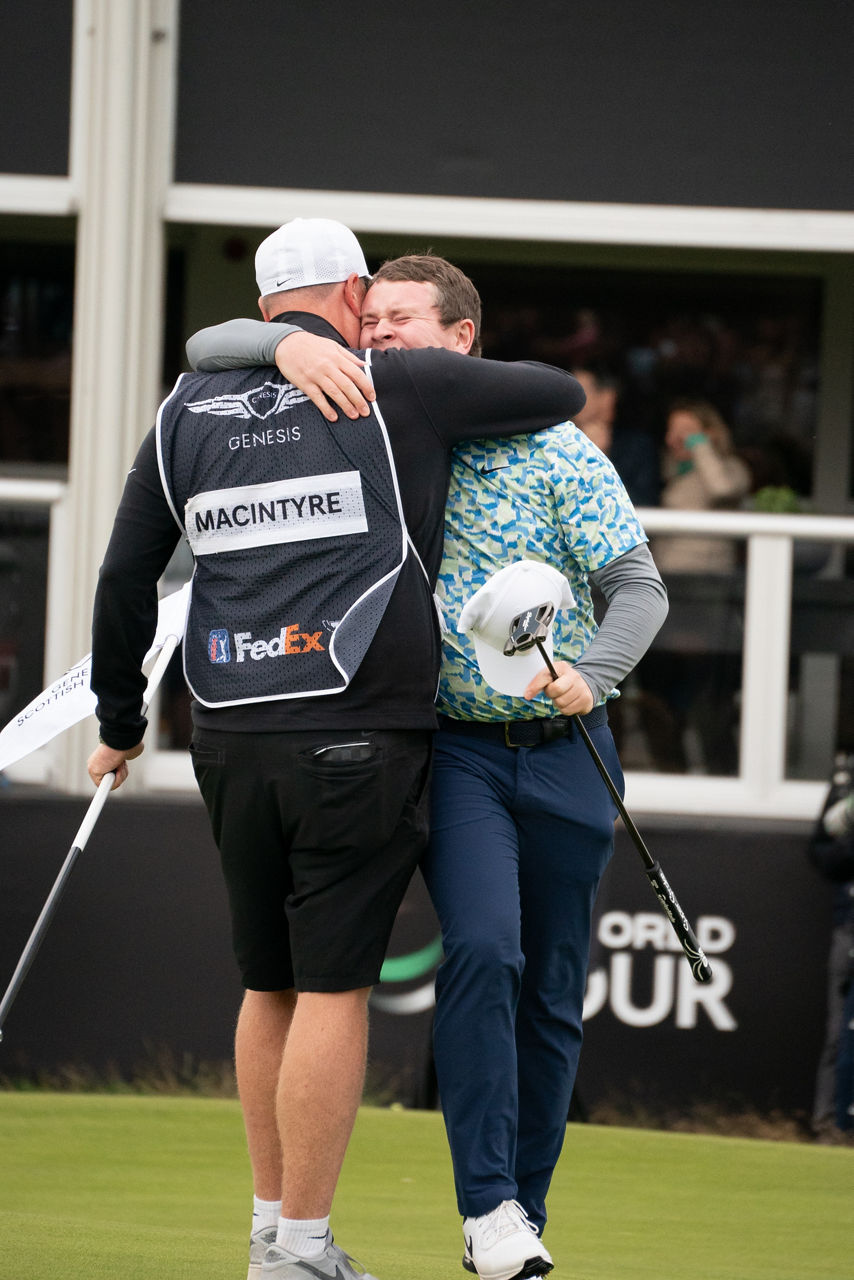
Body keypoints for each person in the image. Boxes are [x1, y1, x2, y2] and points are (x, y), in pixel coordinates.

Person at [86, 219, 588, 1280]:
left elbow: (126, 578)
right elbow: (556, 391)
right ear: (356, 293)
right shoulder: (393, 383)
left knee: (264, 981)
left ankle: (271, 1225)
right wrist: (378, 354)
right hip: (355, 728)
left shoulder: (184, 410)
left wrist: (117, 722)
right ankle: (301, 1250)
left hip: (222, 731)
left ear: (265, 306)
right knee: (328, 988)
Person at [189, 251, 669, 1280]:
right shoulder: (369, 428)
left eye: (401, 319)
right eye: (371, 319)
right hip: (451, 749)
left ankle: (518, 1213)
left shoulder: (555, 448)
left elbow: (637, 588)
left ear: (461, 338)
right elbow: (209, 349)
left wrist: (593, 669)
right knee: (486, 949)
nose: (378, 335)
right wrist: (280, 337)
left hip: (568, 748)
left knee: (548, 988)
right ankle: (486, 1203)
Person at [807, 754, 854, 1143]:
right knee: (840, 1031)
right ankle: (830, 1126)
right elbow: (823, 854)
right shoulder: (845, 780)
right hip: (848, 926)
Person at [571, 366, 661, 508]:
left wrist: (599, 458)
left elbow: (644, 501)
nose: (569, 399)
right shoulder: (555, 441)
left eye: (579, 391)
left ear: (608, 398)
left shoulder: (637, 446)